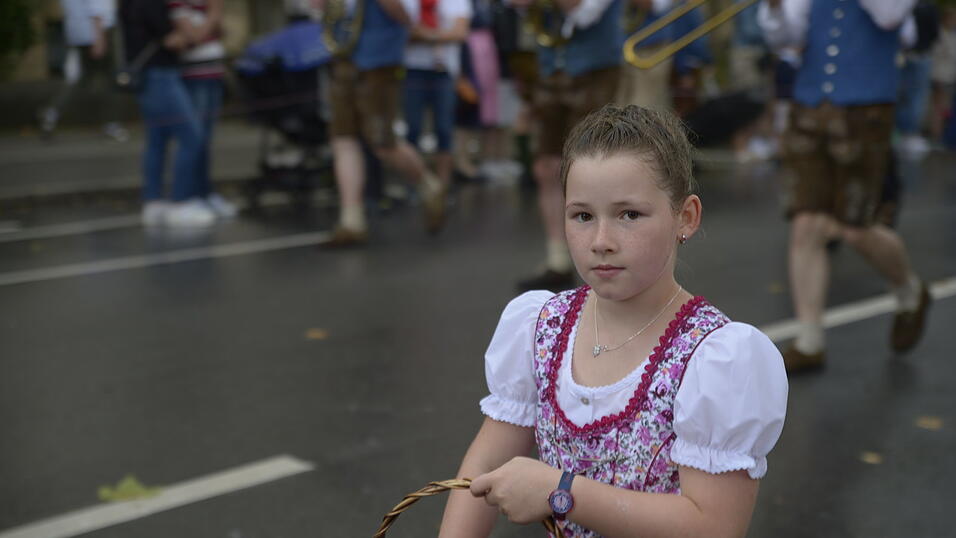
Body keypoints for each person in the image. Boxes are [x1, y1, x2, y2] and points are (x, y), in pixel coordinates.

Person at [438, 104, 788, 537]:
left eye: (629, 215)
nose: (601, 242)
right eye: (583, 216)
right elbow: (484, 466)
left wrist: (562, 491)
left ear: (686, 217)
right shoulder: (542, 328)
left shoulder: (714, 358)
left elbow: (714, 526)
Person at [758, 0, 932, 372]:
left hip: (865, 109)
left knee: (854, 228)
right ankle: (809, 341)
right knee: (805, 222)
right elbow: (786, 38)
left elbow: (890, 15)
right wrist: (774, 9)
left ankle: (909, 290)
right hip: (809, 104)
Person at [513, 0, 625, 292]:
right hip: (552, 69)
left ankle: (603, 254)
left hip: (594, 70)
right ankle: (558, 259)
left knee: (590, 165)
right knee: (546, 167)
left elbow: (581, 10)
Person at [318, 0, 446, 247]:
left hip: (377, 59)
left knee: (382, 143)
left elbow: (401, 12)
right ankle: (351, 220)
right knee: (343, 138)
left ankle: (428, 185)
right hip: (344, 55)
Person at [120, 0, 214, 227]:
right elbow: (172, 36)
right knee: (191, 135)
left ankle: (153, 201)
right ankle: (181, 201)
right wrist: (185, 34)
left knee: (157, 139)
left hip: (145, 73)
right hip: (160, 73)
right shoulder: (151, 5)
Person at [169, 0, 239, 218]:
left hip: (213, 73)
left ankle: (205, 193)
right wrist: (214, 12)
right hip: (194, 75)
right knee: (194, 139)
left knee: (206, 140)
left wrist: (210, 21)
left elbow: (220, 32)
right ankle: (187, 196)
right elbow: (194, 37)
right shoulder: (180, 3)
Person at [403, 0, 473, 187]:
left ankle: (442, 186)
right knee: (412, 131)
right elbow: (403, 32)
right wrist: (441, 36)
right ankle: (417, 185)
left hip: (444, 71)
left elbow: (460, 33)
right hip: (413, 70)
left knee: (444, 130)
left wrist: (424, 35)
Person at [39, 0, 129, 142]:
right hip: (98, 30)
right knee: (111, 77)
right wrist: (99, 37)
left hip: (79, 32)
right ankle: (112, 123)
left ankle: (52, 112)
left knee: (83, 78)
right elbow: (97, 6)